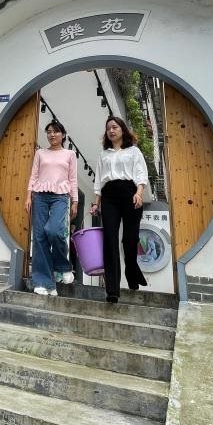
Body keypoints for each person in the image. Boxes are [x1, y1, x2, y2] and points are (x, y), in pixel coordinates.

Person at [90, 116, 149, 303]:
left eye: (115, 127)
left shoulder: (134, 151)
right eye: (108, 128)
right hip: (109, 197)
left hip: (130, 193)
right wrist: (96, 203)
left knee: (130, 240)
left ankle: (132, 272)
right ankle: (112, 290)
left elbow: (141, 174)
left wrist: (139, 193)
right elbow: (99, 181)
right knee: (110, 240)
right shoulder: (103, 154)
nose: (111, 130)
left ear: (122, 129)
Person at [25, 119, 78, 296]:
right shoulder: (40, 153)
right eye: (49, 132)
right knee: (40, 238)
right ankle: (44, 283)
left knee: (54, 231)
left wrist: (75, 201)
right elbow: (34, 175)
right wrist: (28, 196)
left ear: (63, 134)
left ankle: (63, 266)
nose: (52, 134)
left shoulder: (70, 154)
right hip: (40, 196)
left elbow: (73, 179)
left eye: (55, 131)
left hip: (60, 197)